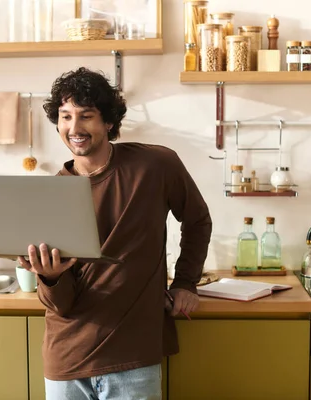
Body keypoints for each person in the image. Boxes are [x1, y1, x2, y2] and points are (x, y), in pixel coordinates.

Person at [17, 67, 212, 400]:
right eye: (65, 117)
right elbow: (60, 305)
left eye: (86, 116)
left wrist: (185, 282)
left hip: (132, 356)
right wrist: (48, 278)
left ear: (108, 121)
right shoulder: (52, 196)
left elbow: (197, 220)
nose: (74, 128)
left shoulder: (156, 166)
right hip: (66, 358)